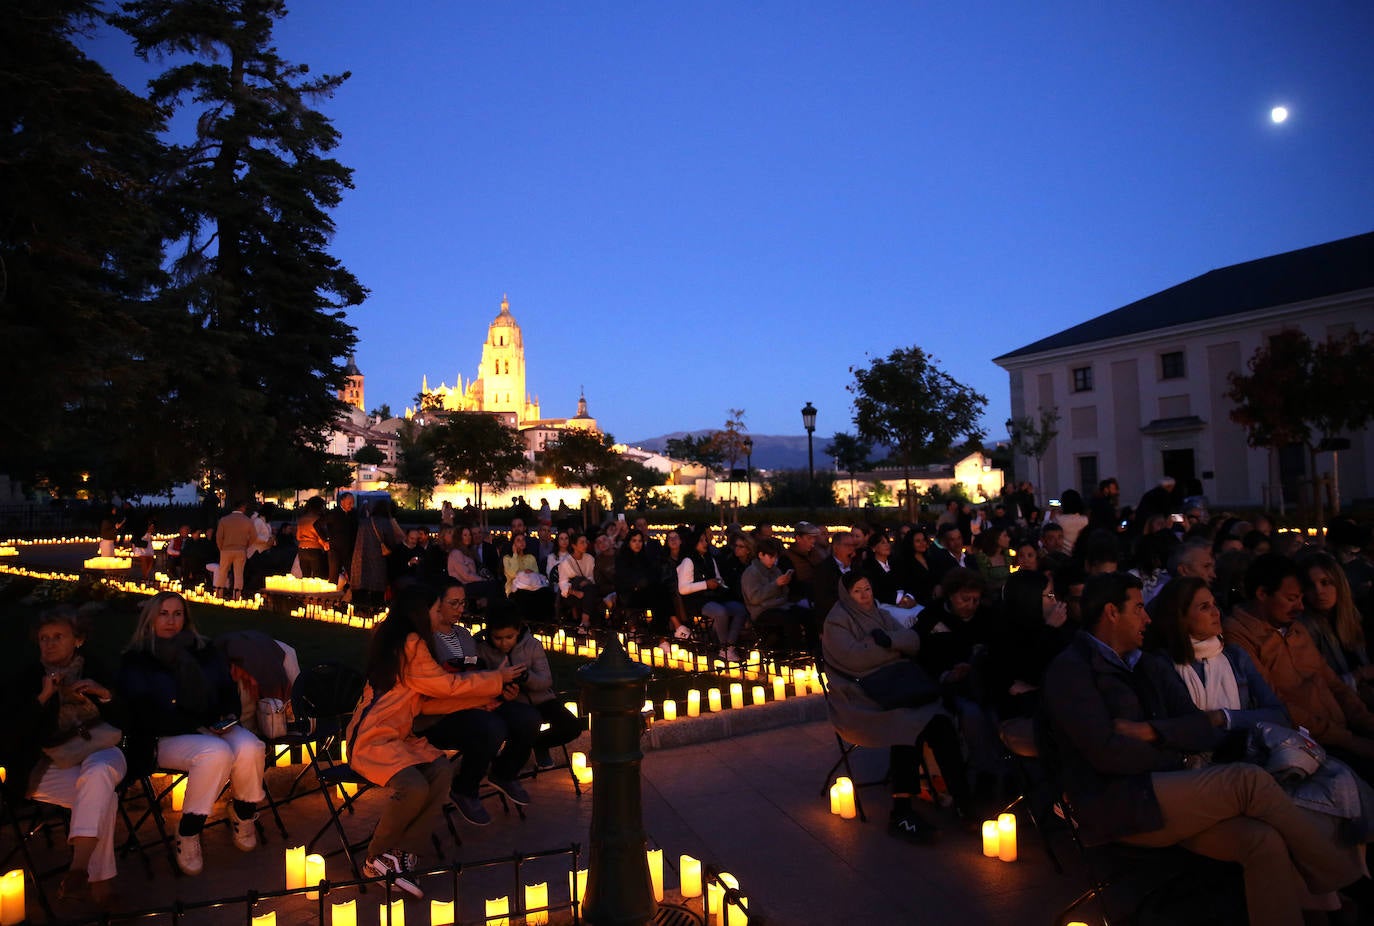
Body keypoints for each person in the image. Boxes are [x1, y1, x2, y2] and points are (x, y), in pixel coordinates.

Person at [1042, 573, 1357, 926]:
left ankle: (1314, 907)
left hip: (1169, 788)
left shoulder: (1146, 664)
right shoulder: (1072, 671)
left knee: (1262, 840)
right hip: (1118, 802)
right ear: (1112, 612)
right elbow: (1107, 753)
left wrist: (1154, 731)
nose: (1147, 618)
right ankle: (1340, 872)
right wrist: (1175, 752)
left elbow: (1200, 727)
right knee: (1247, 781)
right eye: (1139, 608)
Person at [348, 583, 519, 898]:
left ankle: (401, 854)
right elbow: (446, 686)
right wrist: (496, 680)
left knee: (440, 772)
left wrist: (480, 700)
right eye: (438, 608)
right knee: (414, 787)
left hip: (400, 735)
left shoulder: (411, 642)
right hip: (373, 737)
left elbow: (427, 702)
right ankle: (376, 857)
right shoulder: (410, 643)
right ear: (420, 612)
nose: (443, 613)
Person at [118, 592, 265, 877]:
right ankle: (189, 830)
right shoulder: (137, 659)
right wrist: (196, 724)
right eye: (163, 613)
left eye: (177, 613)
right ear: (150, 618)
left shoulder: (203, 650)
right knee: (216, 753)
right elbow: (142, 711)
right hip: (162, 736)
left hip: (209, 726)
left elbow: (226, 689)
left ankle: (244, 812)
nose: (171, 620)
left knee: (250, 746)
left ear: (186, 618)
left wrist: (228, 716)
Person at [821, 571, 973, 843]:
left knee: (939, 721)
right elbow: (856, 659)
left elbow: (913, 641)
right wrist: (890, 646)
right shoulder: (837, 621)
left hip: (893, 689)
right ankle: (901, 812)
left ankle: (962, 798)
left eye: (867, 589)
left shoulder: (881, 614)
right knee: (906, 725)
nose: (864, 596)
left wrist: (889, 641)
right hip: (858, 700)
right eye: (857, 591)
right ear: (846, 595)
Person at [0, 608, 127, 910]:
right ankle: (98, 883)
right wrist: (42, 699)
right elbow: (10, 738)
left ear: (78, 640)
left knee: (98, 773)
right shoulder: (28, 679)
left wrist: (104, 694)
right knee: (102, 797)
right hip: (47, 764)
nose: (50, 644)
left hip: (102, 750)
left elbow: (129, 720)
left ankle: (79, 869)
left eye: (58, 637)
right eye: (44, 639)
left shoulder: (97, 668)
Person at [1225, 554, 1374, 786]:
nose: (1301, 607)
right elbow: (1278, 705)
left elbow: (1333, 683)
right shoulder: (1240, 637)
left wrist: (1367, 723)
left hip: (1342, 731)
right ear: (1263, 594)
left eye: (1302, 598)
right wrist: (1351, 741)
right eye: (1292, 598)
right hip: (1312, 744)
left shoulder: (1295, 628)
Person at [416, 580, 538, 825]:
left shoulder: (463, 634)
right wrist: (482, 694)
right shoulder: (425, 641)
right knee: (492, 727)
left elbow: (475, 673)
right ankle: (465, 788)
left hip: (476, 701)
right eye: (454, 603)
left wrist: (501, 692)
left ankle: (504, 773)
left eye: (463, 602)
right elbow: (444, 686)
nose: (461, 608)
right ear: (437, 605)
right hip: (441, 713)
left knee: (529, 719)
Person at [476, 608, 581, 770]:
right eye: (498, 638)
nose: (504, 643)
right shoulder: (483, 650)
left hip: (542, 699)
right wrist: (500, 684)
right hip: (512, 703)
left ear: (518, 631)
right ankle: (509, 758)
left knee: (571, 726)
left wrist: (526, 677)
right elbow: (480, 681)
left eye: (509, 637)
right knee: (522, 725)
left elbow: (546, 681)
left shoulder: (532, 645)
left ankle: (538, 744)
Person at [987, 568, 1072, 720]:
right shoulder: (1004, 634)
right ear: (1030, 599)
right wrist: (1050, 630)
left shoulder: (1060, 628)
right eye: (1049, 595)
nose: (1055, 601)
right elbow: (1028, 673)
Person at [1297, 550, 1374, 701]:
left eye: (1325, 583)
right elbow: (1315, 687)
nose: (1319, 591)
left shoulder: (1355, 617)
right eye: (1311, 586)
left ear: (1338, 583)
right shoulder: (1305, 627)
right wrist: (1358, 676)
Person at [678, 528, 748, 662]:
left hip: (714, 596)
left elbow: (718, 577)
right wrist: (705, 584)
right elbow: (683, 588)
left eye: (706, 540)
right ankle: (724, 646)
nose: (705, 543)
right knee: (720, 612)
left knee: (740, 609)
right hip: (697, 600)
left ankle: (729, 647)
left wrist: (720, 584)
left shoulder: (710, 558)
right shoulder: (689, 561)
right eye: (701, 541)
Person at [741, 536, 816, 654]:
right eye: (771, 557)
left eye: (775, 557)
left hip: (779, 605)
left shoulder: (775, 570)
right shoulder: (751, 573)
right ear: (761, 555)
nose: (774, 560)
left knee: (807, 614)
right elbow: (754, 598)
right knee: (790, 621)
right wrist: (775, 585)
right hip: (761, 610)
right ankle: (793, 655)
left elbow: (784, 593)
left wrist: (783, 584)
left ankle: (812, 651)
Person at [351, 498, 404, 611]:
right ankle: (375, 610)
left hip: (360, 557)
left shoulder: (364, 522)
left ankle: (360, 610)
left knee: (362, 584)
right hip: (377, 558)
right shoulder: (385, 523)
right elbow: (391, 542)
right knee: (376, 586)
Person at [863, 530, 923, 628]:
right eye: (882, 543)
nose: (887, 545)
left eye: (888, 542)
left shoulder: (897, 562)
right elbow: (876, 590)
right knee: (913, 620)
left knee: (926, 614)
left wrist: (909, 597)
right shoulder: (868, 567)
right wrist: (899, 599)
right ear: (874, 548)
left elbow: (909, 582)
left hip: (906, 600)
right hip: (885, 604)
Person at [558, 532, 602, 635]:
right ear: (574, 545)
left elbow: (592, 578)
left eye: (586, 542)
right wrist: (575, 592)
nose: (585, 545)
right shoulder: (566, 562)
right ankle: (587, 623)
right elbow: (563, 583)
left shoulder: (589, 559)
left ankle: (584, 622)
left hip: (587, 591)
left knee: (589, 590)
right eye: (582, 542)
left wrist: (586, 582)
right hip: (573, 594)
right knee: (589, 594)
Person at [503, 531, 553, 621]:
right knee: (523, 596)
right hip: (515, 589)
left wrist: (530, 572)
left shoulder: (530, 557)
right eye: (518, 540)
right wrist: (514, 555)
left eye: (523, 540)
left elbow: (536, 575)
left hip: (532, 587)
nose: (521, 542)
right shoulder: (507, 558)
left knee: (545, 593)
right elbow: (512, 573)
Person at [214, 500, 254, 600]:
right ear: (242, 508)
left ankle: (219, 594)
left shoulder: (224, 520)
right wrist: (246, 546)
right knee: (239, 574)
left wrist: (221, 548)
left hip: (226, 549)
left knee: (222, 573)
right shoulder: (247, 520)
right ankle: (236, 596)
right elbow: (254, 536)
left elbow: (219, 537)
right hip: (240, 550)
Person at [294, 497, 330, 579]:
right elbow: (320, 536)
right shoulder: (318, 520)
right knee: (317, 576)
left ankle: (305, 591)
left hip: (302, 549)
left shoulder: (301, 519)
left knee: (305, 576)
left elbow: (298, 536)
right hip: (315, 549)